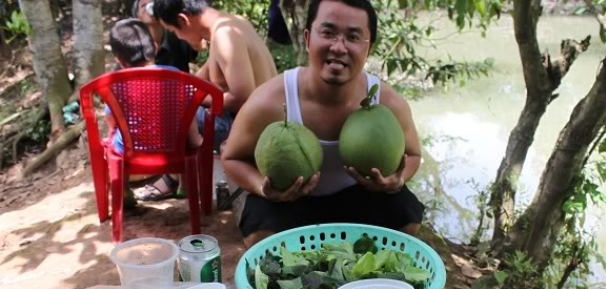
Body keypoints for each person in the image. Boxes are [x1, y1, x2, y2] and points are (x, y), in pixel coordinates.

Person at [221, 0, 424, 248]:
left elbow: (413, 154)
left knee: (405, 213)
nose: (339, 47)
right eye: (327, 33)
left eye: (353, 37)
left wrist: (397, 180)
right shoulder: (271, 100)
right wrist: (263, 188)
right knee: (263, 236)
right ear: (307, 38)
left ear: (368, 48)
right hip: (288, 202)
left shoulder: (388, 103)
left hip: (357, 198)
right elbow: (231, 159)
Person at [152, 0, 277, 153]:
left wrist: (190, 97)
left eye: (173, 31)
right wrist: (179, 91)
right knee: (171, 103)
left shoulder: (224, 37)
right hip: (268, 118)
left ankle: (175, 173)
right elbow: (200, 78)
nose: (178, 37)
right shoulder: (233, 22)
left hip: (259, 130)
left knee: (168, 114)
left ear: (182, 20)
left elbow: (244, 98)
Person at [105, 19, 203, 207]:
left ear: (119, 60)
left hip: (131, 153)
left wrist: (114, 127)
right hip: (175, 149)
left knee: (114, 139)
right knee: (176, 124)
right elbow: (188, 111)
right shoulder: (176, 76)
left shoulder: (116, 85)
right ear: (156, 48)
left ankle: (124, 191)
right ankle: (183, 184)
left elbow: (110, 118)